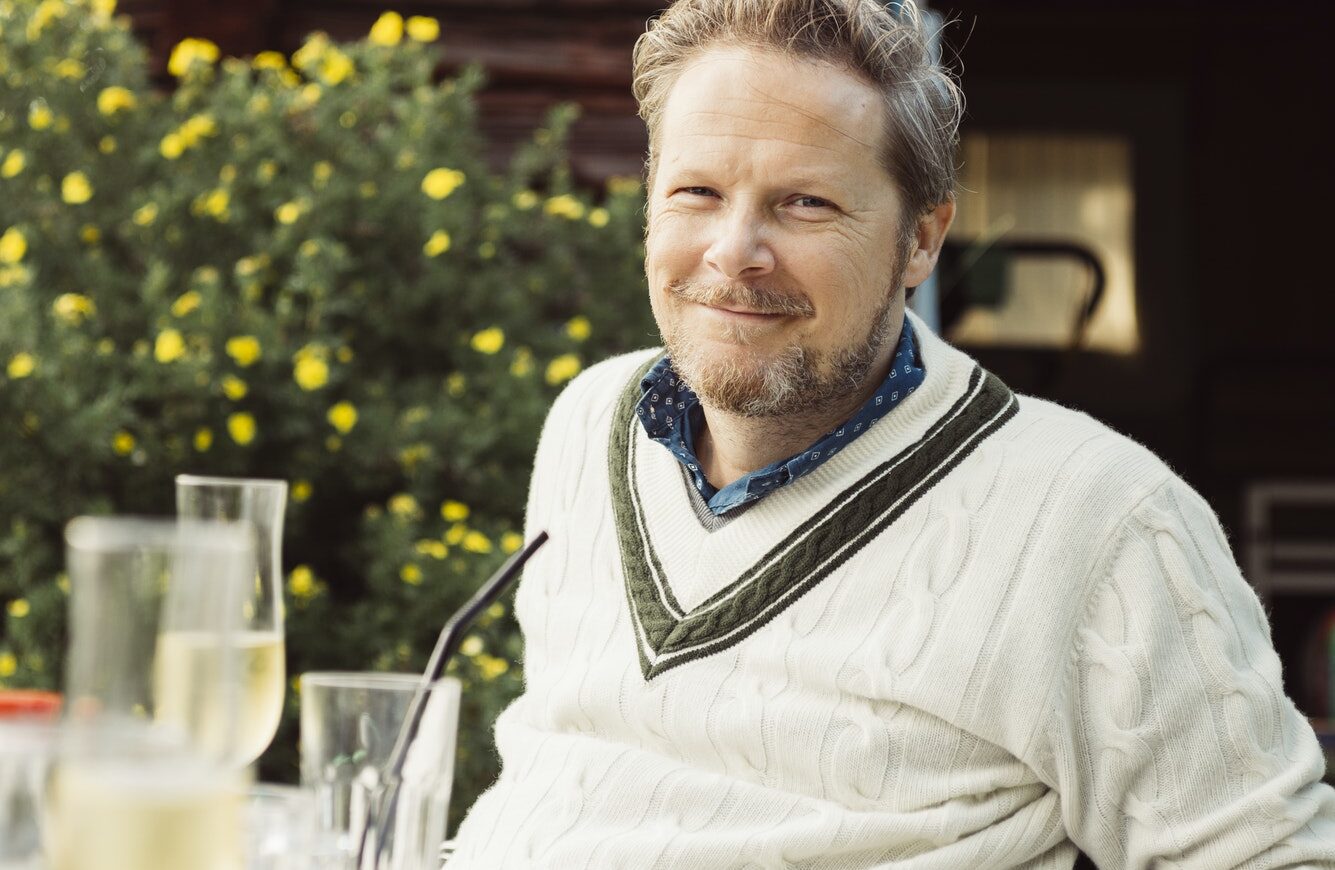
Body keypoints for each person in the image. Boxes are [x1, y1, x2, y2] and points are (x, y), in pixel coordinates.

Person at [447, 0, 1335, 866]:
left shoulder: (1097, 518)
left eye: (803, 203)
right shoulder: (589, 420)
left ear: (920, 240)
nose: (733, 250)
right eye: (696, 192)